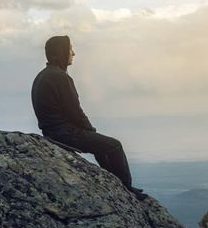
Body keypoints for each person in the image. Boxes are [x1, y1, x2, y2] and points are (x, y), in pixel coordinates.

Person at [31, 35, 147, 201]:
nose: (73, 53)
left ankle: (120, 185)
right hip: (64, 133)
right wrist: (90, 130)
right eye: (70, 48)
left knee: (101, 146)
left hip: (53, 132)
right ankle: (126, 189)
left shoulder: (42, 76)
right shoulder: (60, 77)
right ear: (61, 51)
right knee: (114, 146)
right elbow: (75, 111)